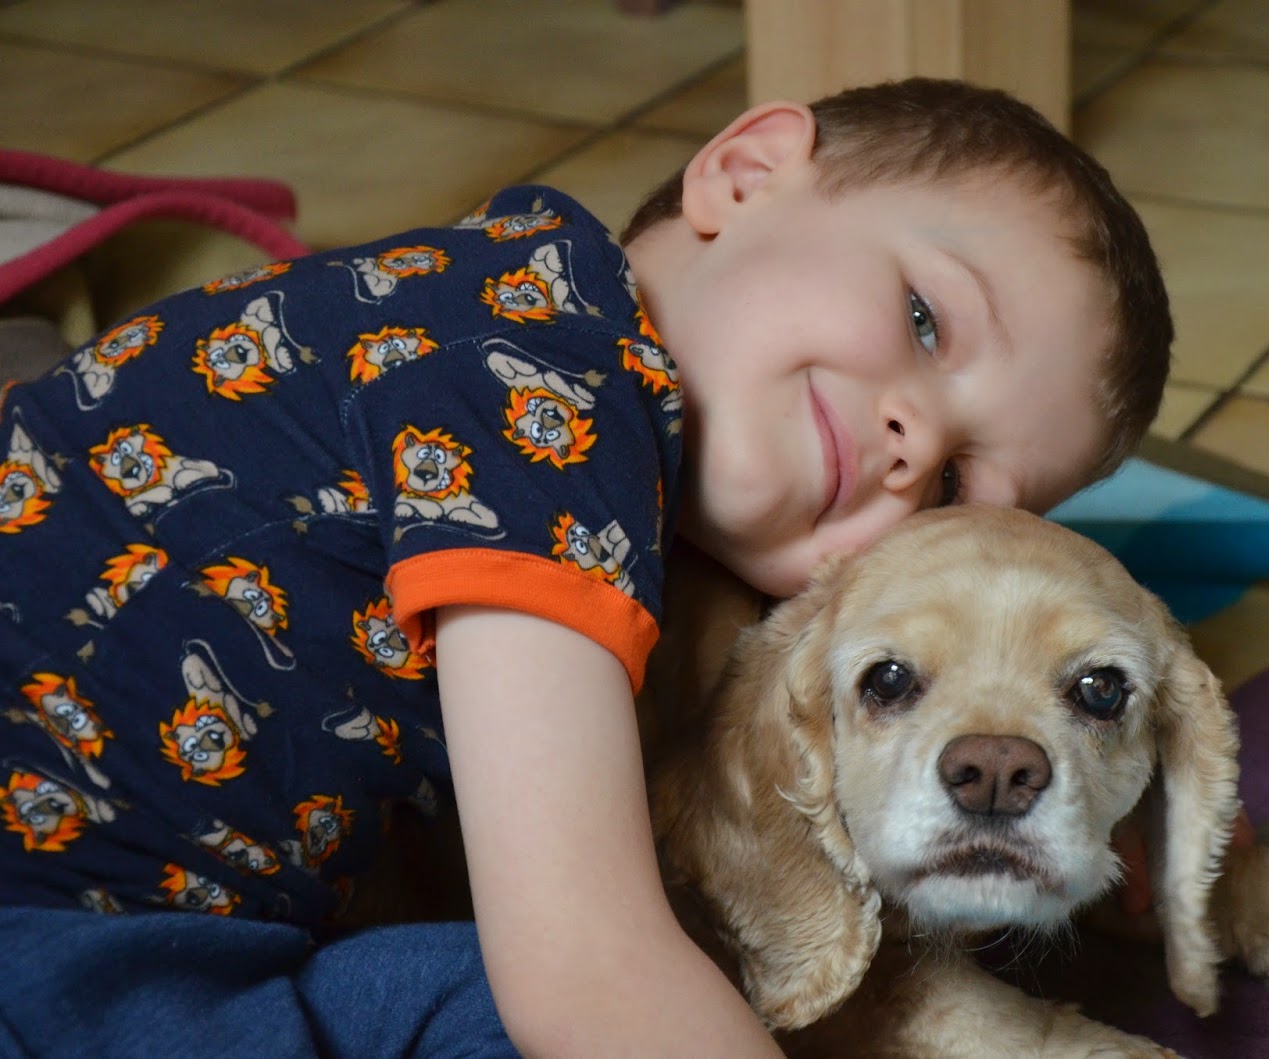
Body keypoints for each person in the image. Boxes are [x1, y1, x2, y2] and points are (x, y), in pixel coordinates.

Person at [0, 79, 1171, 1056]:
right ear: (745, 175)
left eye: (955, 487)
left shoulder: (509, 278)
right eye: (922, 320)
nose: (913, 445)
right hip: (57, 937)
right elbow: (586, 967)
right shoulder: (547, 411)